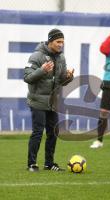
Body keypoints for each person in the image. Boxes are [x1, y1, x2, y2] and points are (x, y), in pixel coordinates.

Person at [24, 29, 74, 172]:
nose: (61, 45)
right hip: (37, 101)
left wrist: (68, 77)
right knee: (38, 132)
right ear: (50, 41)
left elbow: (61, 81)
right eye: (58, 42)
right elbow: (27, 77)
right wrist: (42, 70)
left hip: (53, 102)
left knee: (53, 132)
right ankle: (31, 164)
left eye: (62, 42)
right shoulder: (36, 56)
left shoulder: (61, 58)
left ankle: (49, 163)